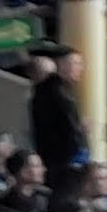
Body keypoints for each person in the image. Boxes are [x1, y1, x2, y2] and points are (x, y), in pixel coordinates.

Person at [29, 46, 88, 192]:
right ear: (61, 65)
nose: (80, 68)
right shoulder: (58, 94)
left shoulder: (51, 90)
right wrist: (81, 131)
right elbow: (69, 132)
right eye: (76, 63)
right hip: (62, 163)